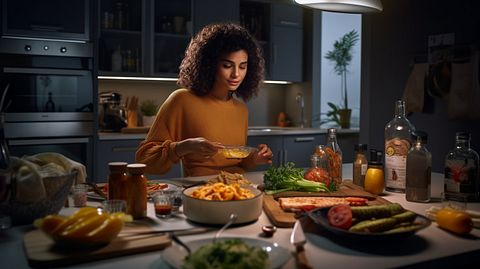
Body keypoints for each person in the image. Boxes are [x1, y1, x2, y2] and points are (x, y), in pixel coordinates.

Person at [135, 23, 273, 177]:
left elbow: (235, 163)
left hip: (238, 188)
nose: (236, 74)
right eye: (227, 65)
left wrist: (254, 158)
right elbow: (145, 160)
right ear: (209, 64)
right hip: (200, 190)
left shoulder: (241, 109)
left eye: (242, 66)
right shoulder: (182, 100)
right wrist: (182, 147)